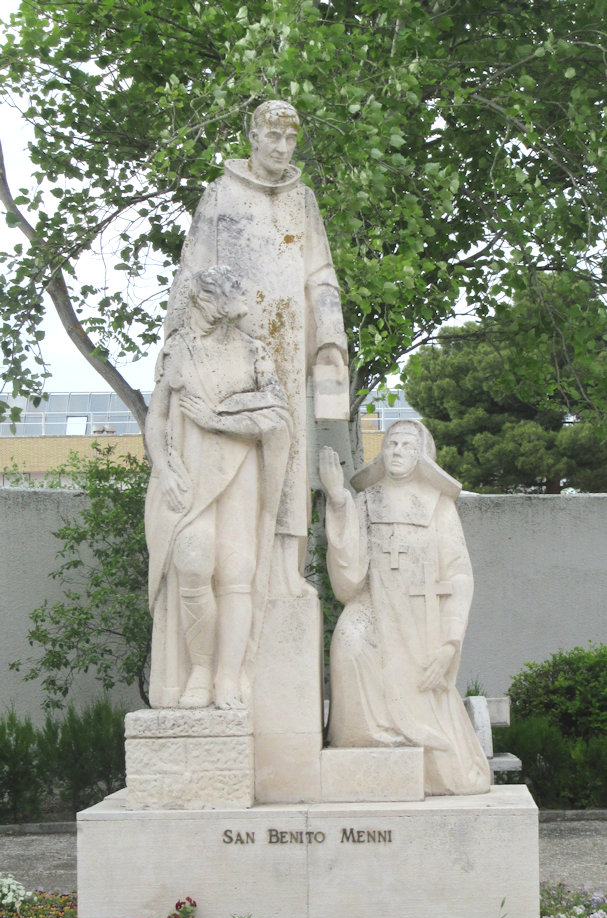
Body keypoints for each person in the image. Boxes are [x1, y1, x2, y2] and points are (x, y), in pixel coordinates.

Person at [163, 100, 349, 596]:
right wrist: (176, 341)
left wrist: (329, 335)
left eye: (291, 140)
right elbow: (193, 270)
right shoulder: (220, 194)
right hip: (228, 342)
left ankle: (284, 567)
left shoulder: (302, 199)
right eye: (273, 137)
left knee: (285, 452)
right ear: (253, 135)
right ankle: (226, 561)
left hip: (286, 341)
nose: (282, 149)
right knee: (224, 449)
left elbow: (319, 272)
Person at [145, 266, 291, 709]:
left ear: (223, 305)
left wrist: (216, 420)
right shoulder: (179, 350)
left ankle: (227, 676)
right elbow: (157, 416)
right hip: (187, 473)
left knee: (235, 571)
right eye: (200, 301)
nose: (200, 309)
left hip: (239, 473)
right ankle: (201, 670)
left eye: (208, 301)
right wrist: (166, 469)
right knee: (191, 562)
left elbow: (277, 417)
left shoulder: (254, 353)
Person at [319, 421, 490, 795]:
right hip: (373, 608)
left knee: (457, 775)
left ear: (421, 455)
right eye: (391, 443)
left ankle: (428, 755)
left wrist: (450, 642)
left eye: (406, 445)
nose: (396, 450)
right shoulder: (365, 502)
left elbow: (459, 574)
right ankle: (368, 740)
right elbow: (348, 583)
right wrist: (337, 500)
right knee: (348, 640)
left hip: (420, 624)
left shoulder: (438, 506)